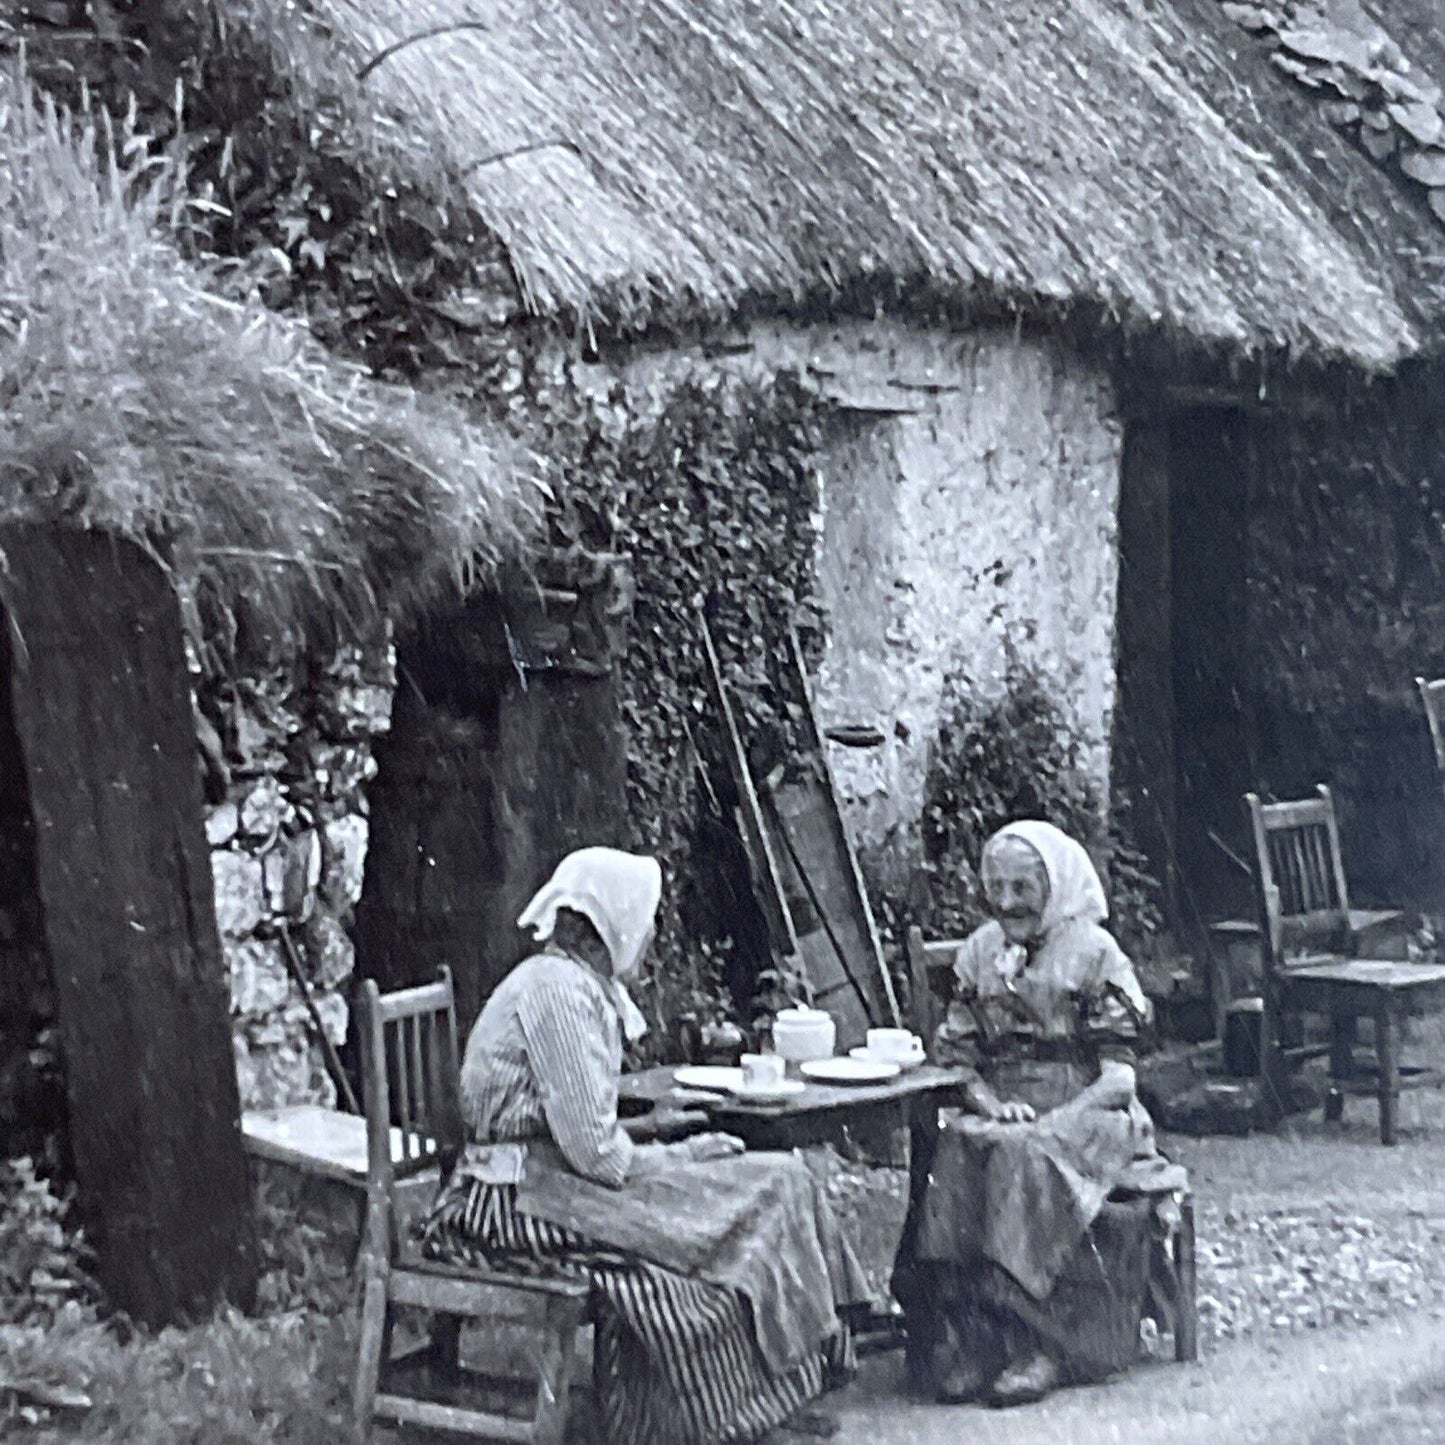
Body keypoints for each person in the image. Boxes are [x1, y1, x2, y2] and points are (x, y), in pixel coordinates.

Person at [423, 847, 864, 1445]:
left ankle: (770, 1396)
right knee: (709, 1231)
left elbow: (579, 1136)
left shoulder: (576, 984)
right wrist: (678, 1158)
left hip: (548, 1180)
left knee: (776, 1180)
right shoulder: (557, 994)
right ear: (615, 924)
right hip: (509, 1202)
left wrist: (673, 1153)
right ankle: (713, 1420)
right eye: (647, 919)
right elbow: (597, 1157)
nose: (652, 933)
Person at [891, 821, 1188, 1408]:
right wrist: (990, 1104)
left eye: (1022, 888)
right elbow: (957, 1061)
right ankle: (978, 1337)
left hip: (1092, 1108)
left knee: (1029, 1157)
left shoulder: (1096, 952)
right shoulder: (981, 950)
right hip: (1011, 1107)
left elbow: (1119, 1078)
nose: (1006, 903)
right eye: (995, 886)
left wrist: (1058, 1119)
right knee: (958, 1150)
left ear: (1054, 885)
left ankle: (1041, 1343)